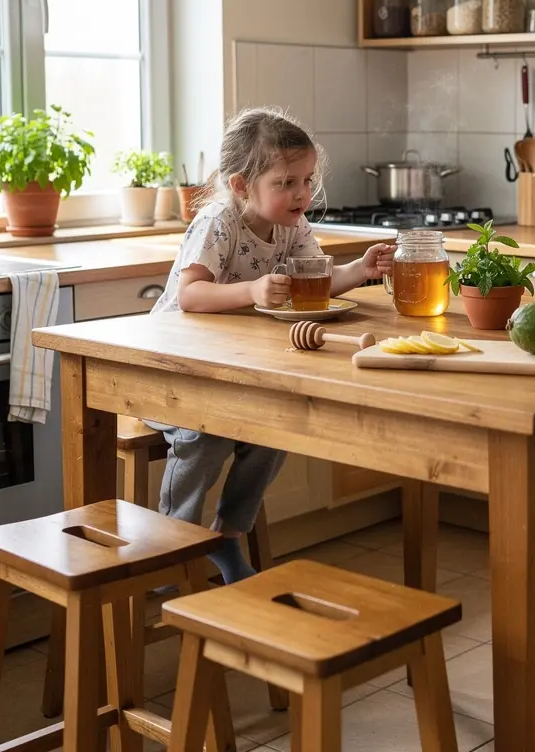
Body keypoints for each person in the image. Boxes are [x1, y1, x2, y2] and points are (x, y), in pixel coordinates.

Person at [150, 107, 395, 584]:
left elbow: (318, 281)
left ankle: (227, 536)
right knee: (207, 432)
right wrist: (252, 290)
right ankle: (171, 543)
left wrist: (358, 271)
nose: (301, 194)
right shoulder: (218, 223)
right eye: (285, 182)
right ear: (242, 185)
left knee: (275, 427)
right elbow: (190, 295)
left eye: (305, 180)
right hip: (174, 369)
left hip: (236, 368)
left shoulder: (293, 224)